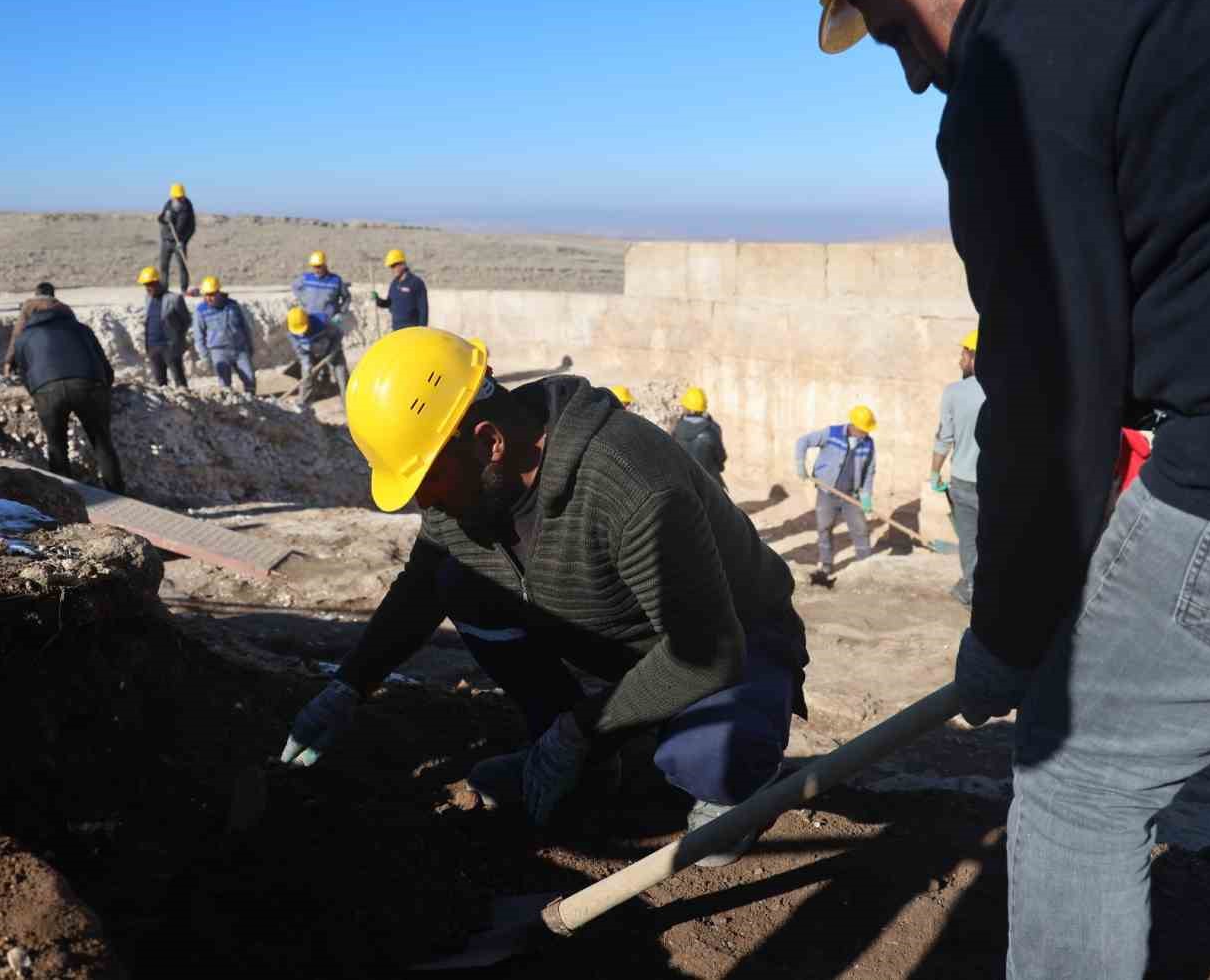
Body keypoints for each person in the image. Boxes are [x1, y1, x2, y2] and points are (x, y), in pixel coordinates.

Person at [801, 0, 1210, 977]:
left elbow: (1047, 394)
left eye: (896, 37)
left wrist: (1009, 637)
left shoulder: (1015, 62)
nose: (918, 79)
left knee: (1077, 778)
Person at [280, 328, 809, 866]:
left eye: (427, 480)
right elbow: (422, 585)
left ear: (490, 442)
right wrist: (350, 683)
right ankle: (583, 761)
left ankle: (744, 775)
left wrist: (578, 732)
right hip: (622, 638)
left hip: (729, 640)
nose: (423, 500)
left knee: (707, 762)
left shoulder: (633, 486)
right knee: (459, 582)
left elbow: (706, 653)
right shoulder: (466, 484)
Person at [9, 304, 124, 494]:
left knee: (56, 446)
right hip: (88, 385)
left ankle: (64, 496)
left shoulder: (23, 338)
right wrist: (105, 388)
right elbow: (103, 363)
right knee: (102, 443)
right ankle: (117, 493)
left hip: (46, 390)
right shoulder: (81, 329)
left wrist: (37, 392)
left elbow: (25, 373)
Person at [794, 405, 878, 584]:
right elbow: (803, 441)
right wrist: (800, 463)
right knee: (824, 528)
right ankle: (826, 564)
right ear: (855, 426)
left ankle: (866, 564)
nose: (866, 433)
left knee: (860, 529)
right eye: (864, 429)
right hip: (827, 491)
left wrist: (866, 495)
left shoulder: (868, 443)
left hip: (851, 496)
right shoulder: (832, 434)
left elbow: (870, 470)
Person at [930, 330, 983, 606]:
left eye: (964, 353)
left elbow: (944, 438)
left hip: (964, 481)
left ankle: (972, 589)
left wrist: (934, 472)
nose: (960, 359)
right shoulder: (1010, 389)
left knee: (969, 540)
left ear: (975, 357)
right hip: (997, 482)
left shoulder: (954, 392)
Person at [193, 275, 255, 395]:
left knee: (250, 378)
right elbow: (199, 336)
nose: (208, 298)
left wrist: (249, 345)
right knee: (225, 385)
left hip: (239, 349)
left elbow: (244, 326)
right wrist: (204, 356)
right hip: (219, 352)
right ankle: (231, 408)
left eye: (211, 294)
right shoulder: (201, 311)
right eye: (206, 295)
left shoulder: (232, 305)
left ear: (218, 292)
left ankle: (253, 403)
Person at [3, 283, 74, 377]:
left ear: (36, 294)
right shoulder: (65, 308)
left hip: (35, 354)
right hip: (62, 357)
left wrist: (8, 361)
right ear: (53, 295)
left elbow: (17, 334)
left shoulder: (29, 305)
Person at [138, 266, 192, 389]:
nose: (148, 288)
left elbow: (186, 320)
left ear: (158, 282)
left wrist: (177, 339)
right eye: (146, 285)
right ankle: (165, 406)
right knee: (160, 381)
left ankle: (186, 401)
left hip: (169, 346)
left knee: (179, 378)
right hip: (152, 346)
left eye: (150, 284)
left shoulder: (174, 299)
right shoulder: (148, 299)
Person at [286, 306, 348, 405]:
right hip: (312, 354)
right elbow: (300, 351)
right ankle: (303, 408)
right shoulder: (291, 331)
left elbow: (338, 334)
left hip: (332, 350)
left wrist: (333, 350)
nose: (301, 333)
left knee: (343, 379)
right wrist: (306, 364)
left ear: (307, 320)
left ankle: (349, 406)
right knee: (307, 377)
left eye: (302, 329)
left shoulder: (322, 322)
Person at [670, 387, 726, 487]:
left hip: (684, 482)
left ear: (688, 409)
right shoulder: (712, 429)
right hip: (709, 483)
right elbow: (721, 457)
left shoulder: (676, 429)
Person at [371, 248, 427, 331]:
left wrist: (422, 330)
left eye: (394, 265)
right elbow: (389, 303)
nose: (392, 269)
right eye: (391, 266)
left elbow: (423, 309)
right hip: (396, 330)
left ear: (402, 264)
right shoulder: (394, 284)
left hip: (412, 330)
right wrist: (378, 300)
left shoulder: (416, 283)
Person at [156, 183, 196, 293]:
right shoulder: (169, 204)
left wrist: (184, 241)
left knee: (183, 267)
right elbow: (160, 219)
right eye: (176, 197)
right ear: (172, 196)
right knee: (164, 267)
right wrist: (165, 218)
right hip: (166, 241)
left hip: (179, 242)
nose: (178, 198)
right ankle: (163, 289)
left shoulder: (188, 207)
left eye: (180, 196)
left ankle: (184, 289)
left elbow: (192, 227)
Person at [292, 250, 351, 321]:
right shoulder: (306, 278)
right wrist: (303, 300)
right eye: (314, 267)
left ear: (325, 265)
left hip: (327, 322)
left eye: (319, 266)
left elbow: (347, 297)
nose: (316, 269)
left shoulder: (336, 281)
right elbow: (294, 287)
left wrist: (341, 312)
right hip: (308, 319)